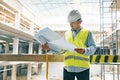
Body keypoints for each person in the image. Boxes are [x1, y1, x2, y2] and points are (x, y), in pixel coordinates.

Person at [41, 10, 96, 80]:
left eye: (73, 22)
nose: (70, 24)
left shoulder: (87, 33)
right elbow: (61, 50)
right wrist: (49, 49)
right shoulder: (67, 34)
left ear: (79, 22)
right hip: (68, 68)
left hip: (83, 68)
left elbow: (93, 47)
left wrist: (84, 51)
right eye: (70, 22)